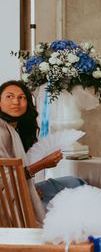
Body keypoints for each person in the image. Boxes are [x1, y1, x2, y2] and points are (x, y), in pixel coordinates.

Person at [0, 80, 85, 223]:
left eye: (22, 97)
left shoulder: (14, 129)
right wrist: (42, 164)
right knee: (78, 189)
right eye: (9, 96)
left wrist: (30, 188)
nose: (16, 101)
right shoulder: (1, 131)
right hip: (8, 206)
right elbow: (4, 178)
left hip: (20, 189)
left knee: (75, 182)